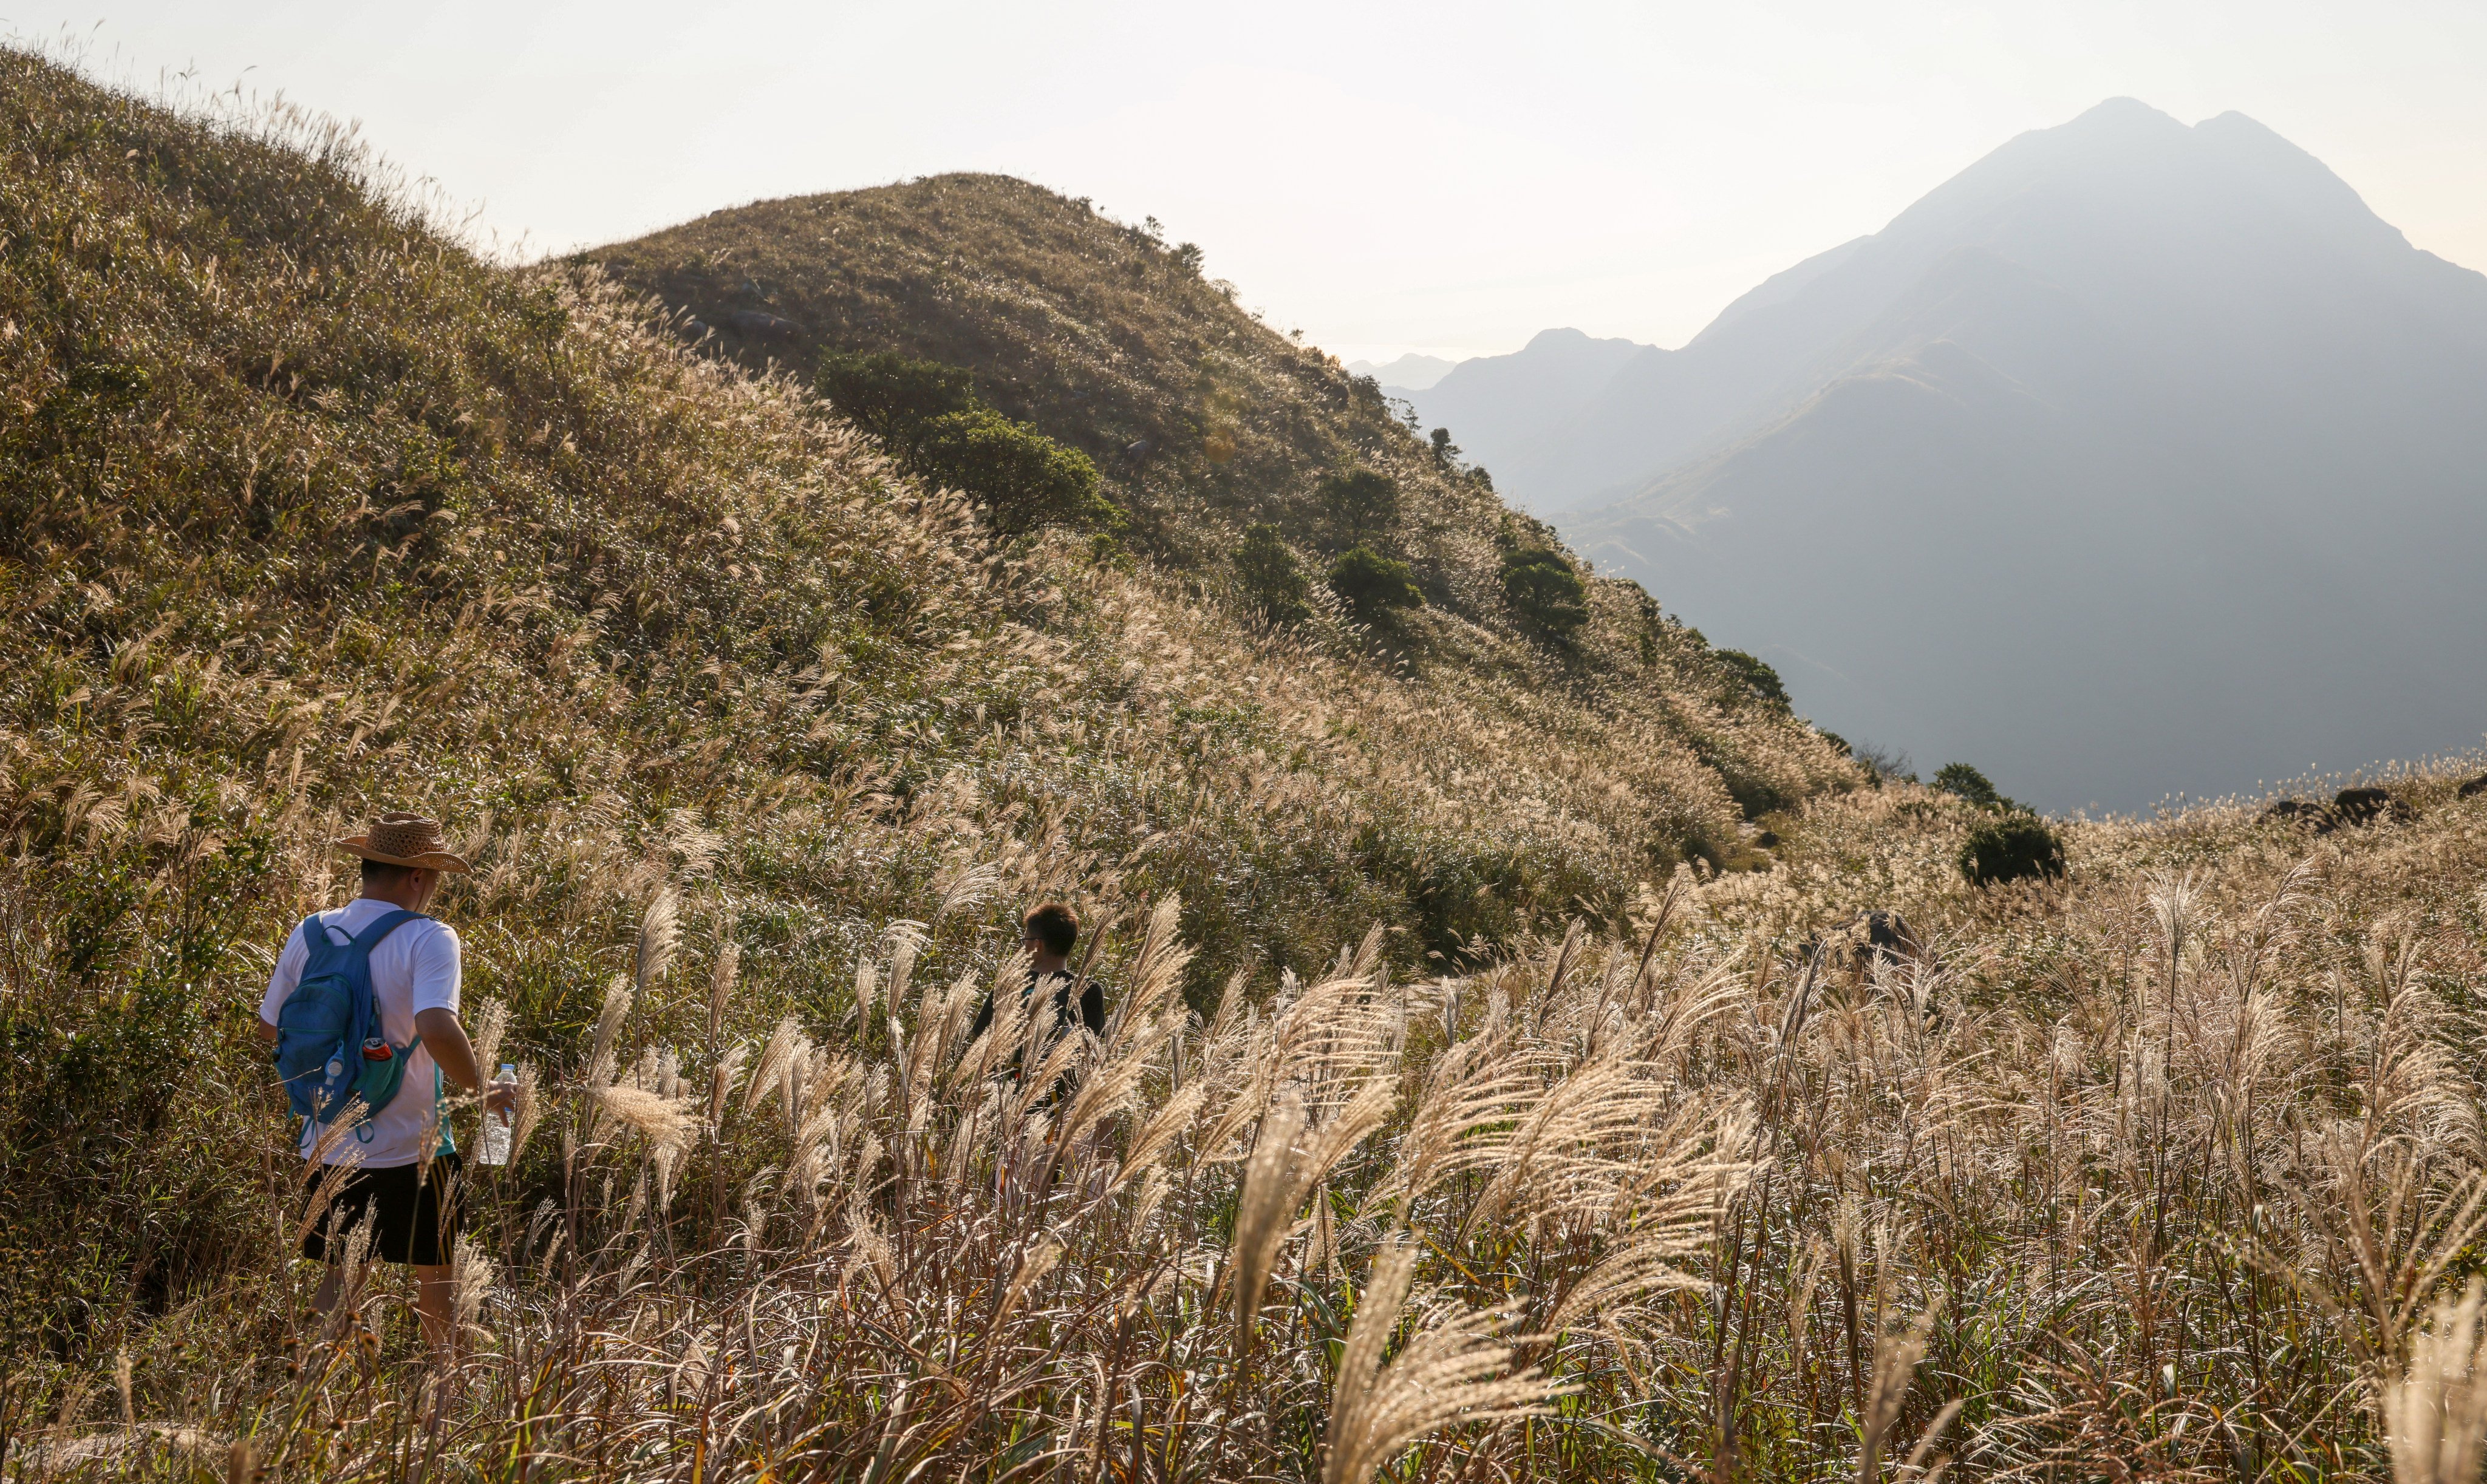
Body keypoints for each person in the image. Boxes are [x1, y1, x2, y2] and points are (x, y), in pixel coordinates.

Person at [254, 812, 511, 1362]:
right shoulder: (429, 937)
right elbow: (436, 1026)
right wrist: (482, 1088)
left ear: (368, 866)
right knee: (437, 1281)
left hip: (326, 1138)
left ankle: (303, 1389)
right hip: (414, 1147)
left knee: (340, 1281)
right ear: (419, 876)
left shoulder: (312, 931)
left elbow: (270, 1027)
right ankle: (447, 1387)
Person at [970, 902, 1106, 1065]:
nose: (1024, 946)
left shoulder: (1010, 983)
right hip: (1061, 1089)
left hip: (1002, 1085)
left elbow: (977, 1039)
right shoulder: (1089, 990)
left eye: (1025, 939)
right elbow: (1092, 1054)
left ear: (1037, 944)